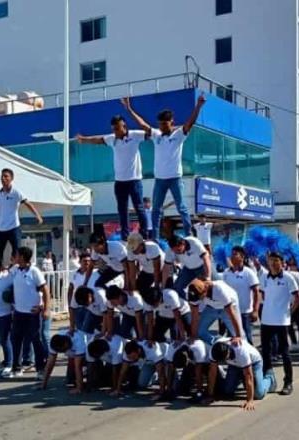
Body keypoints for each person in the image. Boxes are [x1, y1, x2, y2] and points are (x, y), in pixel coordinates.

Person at [120, 94, 207, 238]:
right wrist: (129, 109)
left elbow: (190, 123)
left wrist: (198, 106)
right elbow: (143, 125)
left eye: (165, 124)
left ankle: (188, 234)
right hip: (159, 179)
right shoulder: (157, 135)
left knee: (182, 208)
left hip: (175, 178)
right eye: (160, 124)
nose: (161, 127)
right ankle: (154, 237)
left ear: (171, 122)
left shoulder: (179, 134)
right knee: (156, 210)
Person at [76, 112, 149, 237]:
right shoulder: (112, 139)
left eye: (117, 128)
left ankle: (144, 233)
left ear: (124, 126)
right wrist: (83, 140)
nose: (115, 131)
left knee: (139, 208)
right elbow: (98, 140)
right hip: (120, 181)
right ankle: (125, 235)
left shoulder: (135, 135)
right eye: (113, 129)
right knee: (122, 210)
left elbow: (150, 133)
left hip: (134, 180)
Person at [259, 252, 299, 396]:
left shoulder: (288, 277)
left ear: (282, 262)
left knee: (284, 353)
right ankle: (269, 378)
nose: (273, 263)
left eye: (276, 261)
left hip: (282, 321)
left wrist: (289, 311)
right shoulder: (264, 277)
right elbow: (262, 294)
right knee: (266, 351)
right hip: (266, 320)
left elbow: (298, 298)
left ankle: (288, 382)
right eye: (270, 261)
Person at [10, 246, 50, 379]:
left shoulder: (34, 271)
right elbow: (3, 275)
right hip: (18, 312)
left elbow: (45, 290)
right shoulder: (15, 270)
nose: (14, 257)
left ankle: (41, 369)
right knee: (16, 340)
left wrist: (46, 308)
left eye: (16, 255)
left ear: (21, 257)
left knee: (36, 340)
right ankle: (16, 368)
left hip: (33, 313)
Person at [204, 339, 276, 411]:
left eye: (223, 359)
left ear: (228, 352)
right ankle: (240, 378)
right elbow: (212, 373)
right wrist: (210, 395)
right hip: (234, 365)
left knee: (258, 394)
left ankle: (270, 378)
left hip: (253, 363)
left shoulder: (241, 351)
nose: (222, 361)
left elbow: (248, 376)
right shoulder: (213, 351)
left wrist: (250, 400)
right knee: (227, 391)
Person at [220, 246, 261, 344]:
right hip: (230, 312)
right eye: (232, 254)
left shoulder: (248, 273)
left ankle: (251, 358)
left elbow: (256, 292)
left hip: (244, 313)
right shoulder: (226, 273)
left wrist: (255, 310)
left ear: (242, 257)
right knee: (233, 339)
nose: (232, 257)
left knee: (246, 339)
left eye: (235, 254)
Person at [187, 278, 244, 345]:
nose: (198, 300)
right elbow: (195, 316)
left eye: (199, 297)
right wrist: (193, 336)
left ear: (205, 290)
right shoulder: (192, 292)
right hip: (211, 307)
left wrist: (238, 336)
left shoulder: (219, 290)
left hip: (229, 307)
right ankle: (217, 344)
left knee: (240, 336)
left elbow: (231, 313)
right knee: (200, 332)